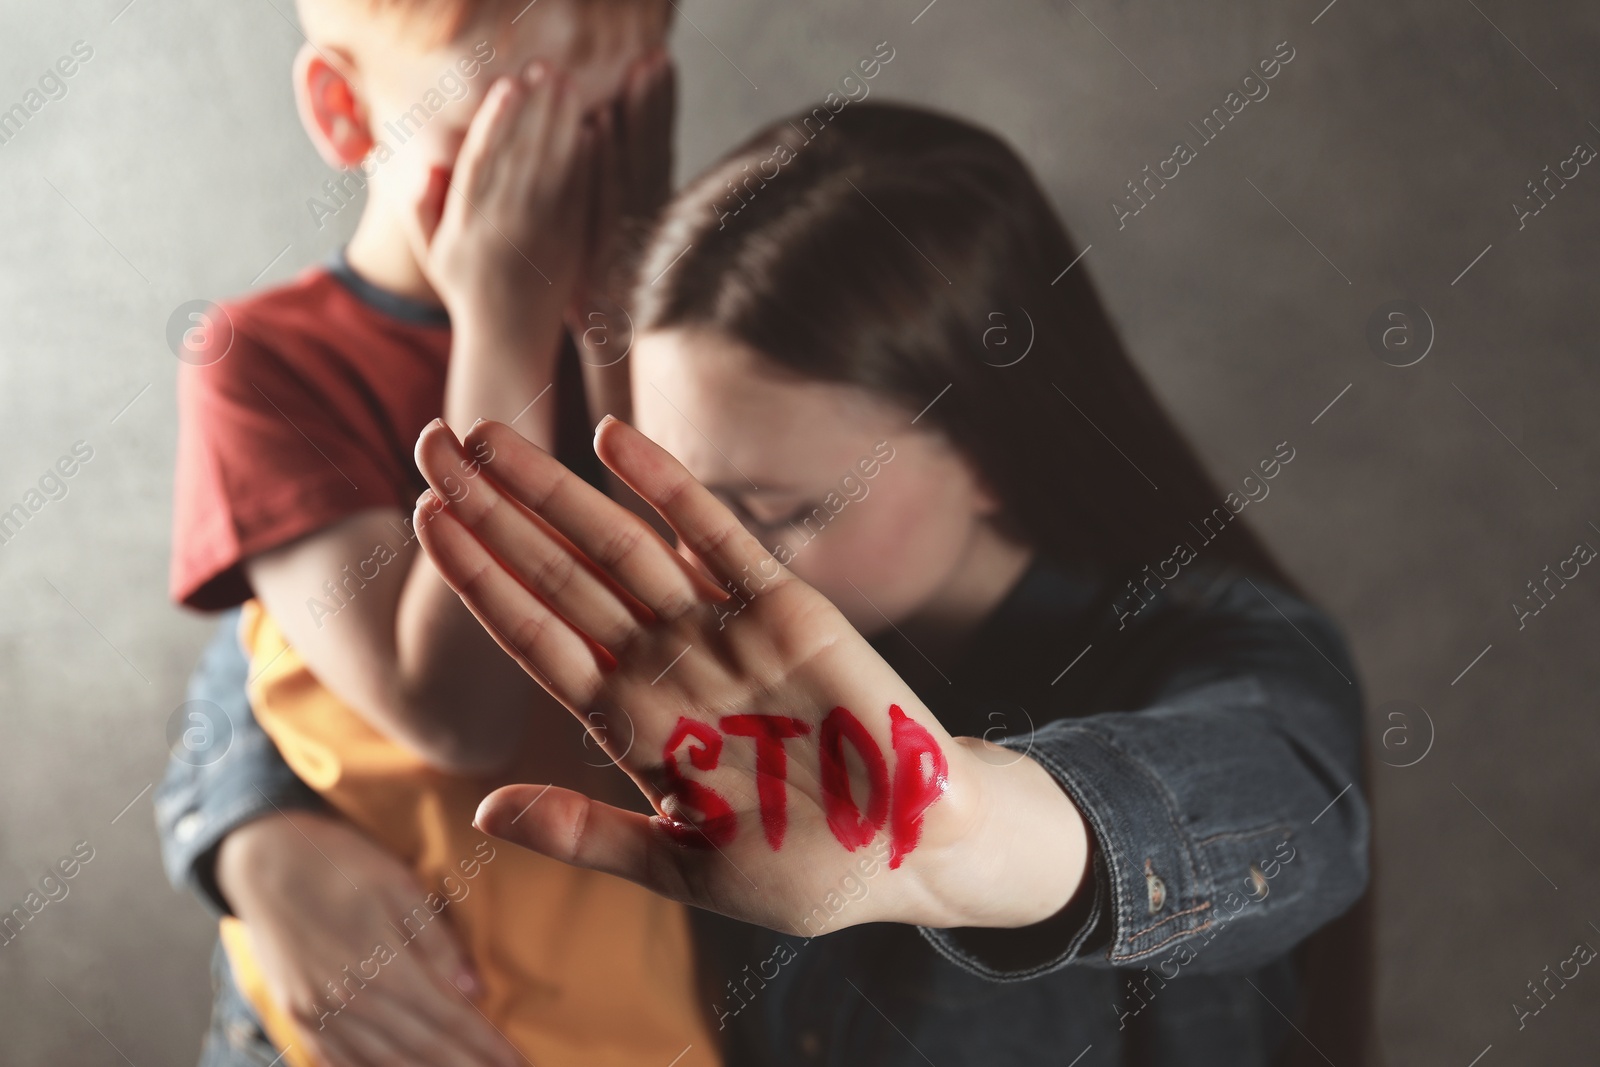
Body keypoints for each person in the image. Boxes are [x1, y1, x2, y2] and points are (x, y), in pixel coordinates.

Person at [163, 101, 1376, 1066]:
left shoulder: (1221, 648)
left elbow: (1288, 817)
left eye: (783, 510)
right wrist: (260, 834)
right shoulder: (676, 598)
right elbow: (300, 646)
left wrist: (960, 836)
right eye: (680, 493)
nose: (703, 559)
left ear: (999, 450)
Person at [160, 0, 717, 1064]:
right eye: (511, 139)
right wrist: (502, 321)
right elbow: (452, 715)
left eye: (607, 138)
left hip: (625, 987)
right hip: (399, 1005)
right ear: (344, 108)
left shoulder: (655, 332)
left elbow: (681, 627)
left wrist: (618, 304)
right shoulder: (262, 359)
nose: (562, 196)